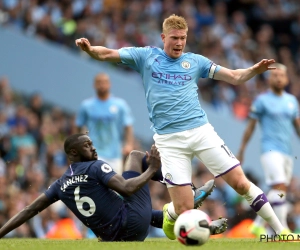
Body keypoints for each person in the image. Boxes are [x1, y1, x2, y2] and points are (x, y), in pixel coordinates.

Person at [75, 14, 293, 240]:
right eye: (174, 38)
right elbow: (109, 53)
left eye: (183, 38)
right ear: (163, 37)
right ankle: (171, 212)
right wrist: (90, 50)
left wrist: (253, 71)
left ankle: (281, 232)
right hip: (169, 142)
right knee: (184, 209)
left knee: (240, 183)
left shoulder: (195, 61)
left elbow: (234, 77)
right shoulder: (146, 56)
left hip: (201, 132)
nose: (179, 43)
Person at [0, 133, 227, 241]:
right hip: (131, 224)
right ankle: (185, 193)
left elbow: (28, 211)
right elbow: (127, 188)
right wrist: (151, 170)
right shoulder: (95, 167)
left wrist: (1, 232)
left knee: (146, 213)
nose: (94, 149)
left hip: (115, 238)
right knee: (136, 155)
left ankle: (200, 224)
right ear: (73, 153)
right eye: (88, 146)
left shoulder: (59, 185)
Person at [237, 63, 300, 236]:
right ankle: (284, 230)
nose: (279, 78)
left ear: (287, 79)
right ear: (269, 79)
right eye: (275, 75)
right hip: (270, 150)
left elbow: (297, 126)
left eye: (282, 75)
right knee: (279, 188)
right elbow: (250, 127)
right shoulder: (262, 101)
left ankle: (258, 224)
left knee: (279, 192)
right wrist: (242, 149)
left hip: (287, 152)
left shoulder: (291, 101)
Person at [76, 73, 134, 174]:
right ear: (94, 85)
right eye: (99, 82)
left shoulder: (120, 105)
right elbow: (78, 126)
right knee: (93, 186)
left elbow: (128, 126)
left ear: (110, 84)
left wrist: (129, 144)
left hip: (114, 154)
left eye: (105, 82)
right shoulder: (86, 105)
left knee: (115, 187)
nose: (102, 85)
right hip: (92, 153)